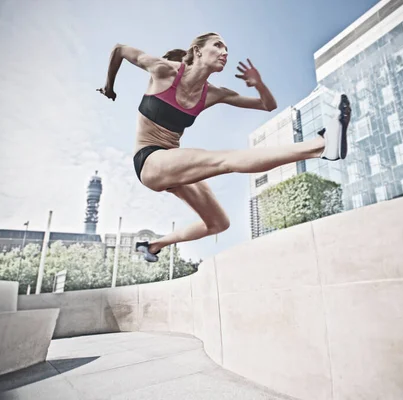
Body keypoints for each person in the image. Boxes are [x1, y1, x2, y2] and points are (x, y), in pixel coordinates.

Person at [97, 32, 351, 262]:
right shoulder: (164, 71)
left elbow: (267, 105)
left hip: (172, 163)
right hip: (150, 160)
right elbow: (119, 48)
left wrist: (258, 83)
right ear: (197, 51)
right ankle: (321, 146)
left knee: (219, 223)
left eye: (227, 48)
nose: (225, 53)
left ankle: (152, 246)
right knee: (223, 160)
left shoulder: (214, 94)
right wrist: (109, 87)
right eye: (218, 45)